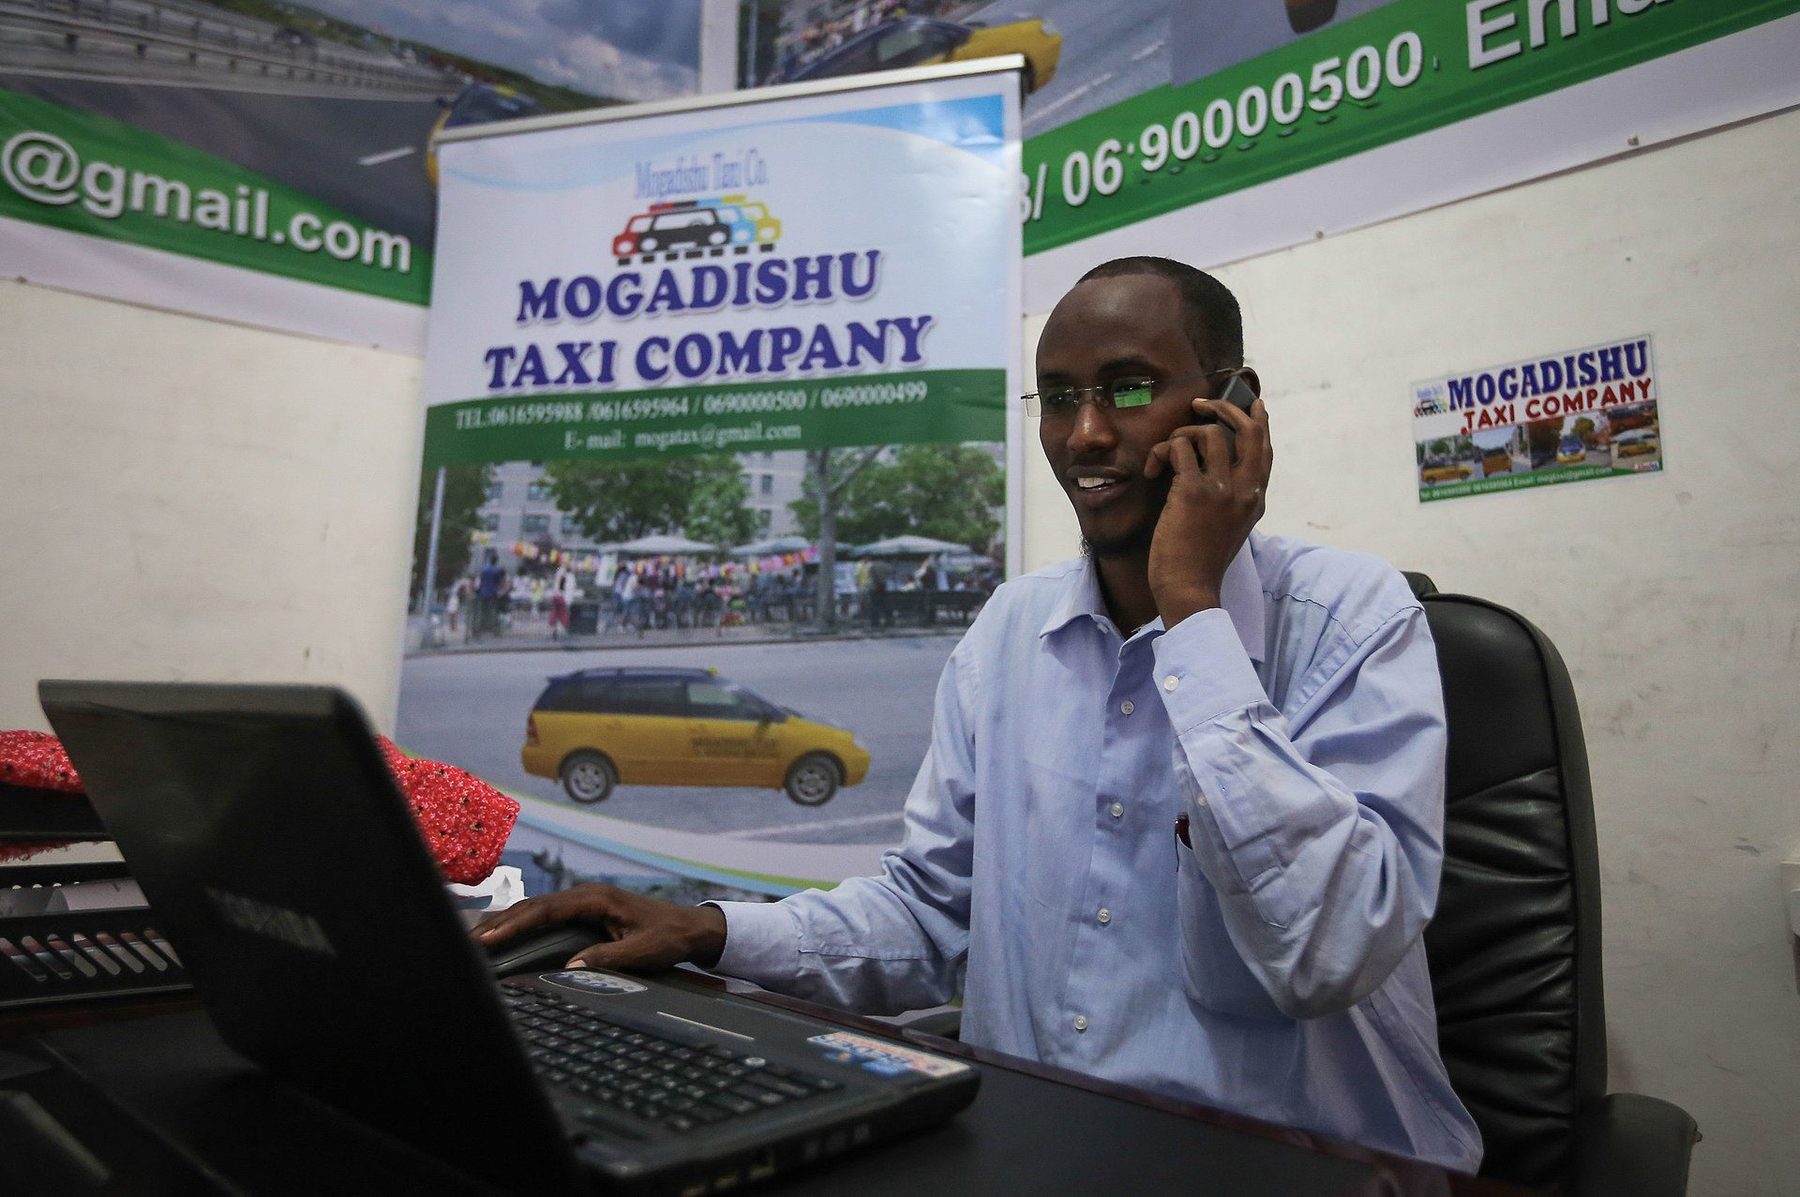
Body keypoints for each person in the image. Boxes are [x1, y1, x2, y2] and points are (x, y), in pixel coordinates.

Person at [475, 257, 1482, 1172]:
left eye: (1130, 388)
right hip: (1036, 1150)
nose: (1086, 434)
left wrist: (1193, 611)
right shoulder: (1009, 634)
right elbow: (933, 914)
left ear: (1234, 406)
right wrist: (712, 930)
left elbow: (1331, 950)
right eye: (1058, 399)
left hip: (1300, 1165)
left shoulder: (1351, 619)